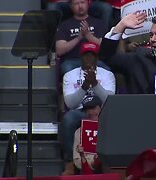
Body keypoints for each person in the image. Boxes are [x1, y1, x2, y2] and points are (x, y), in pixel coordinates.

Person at [61, 41, 115, 175]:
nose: (89, 59)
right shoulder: (70, 75)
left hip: (101, 112)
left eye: (92, 56)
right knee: (68, 118)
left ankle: (106, 162)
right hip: (80, 111)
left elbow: (110, 101)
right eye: (86, 55)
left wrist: (95, 84)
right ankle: (70, 162)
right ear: (80, 58)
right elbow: (70, 104)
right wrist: (85, 86)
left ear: (97, 58)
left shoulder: (107, 75)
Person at [55, 0, 108, 76]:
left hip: (95, 61)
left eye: (82, 2)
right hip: (72, 61)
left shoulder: (99, 23)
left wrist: (88, 35)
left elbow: (105, 48)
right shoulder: (64, 25)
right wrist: (79, 37)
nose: (80, 6)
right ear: (71, 6)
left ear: (88, 4)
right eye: (76, 3)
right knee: (67, 69)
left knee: (106, 71)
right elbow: (59, 50)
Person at [73, 95, 103, 174]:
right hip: (87, 171)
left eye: (93, 108)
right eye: (87, 109)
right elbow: (77, 160)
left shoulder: (110, 129)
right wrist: (92, 163)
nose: (90, 112)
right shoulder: (79, 132)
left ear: (101, 108)